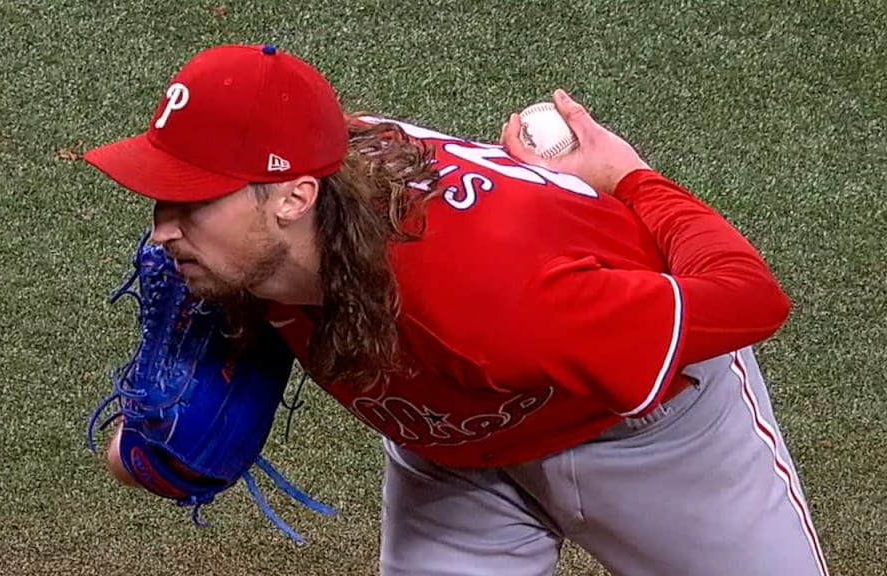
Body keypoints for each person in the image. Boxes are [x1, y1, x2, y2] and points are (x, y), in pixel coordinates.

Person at [83, 43, 828, 576]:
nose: (163, 231)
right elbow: (171, 451)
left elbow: (749, 295)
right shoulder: (266, 232)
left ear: (293, 197)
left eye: (193, 201)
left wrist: (631, 178)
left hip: (639, 437)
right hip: (454, 454)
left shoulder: (496, 300)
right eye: (161, 195)